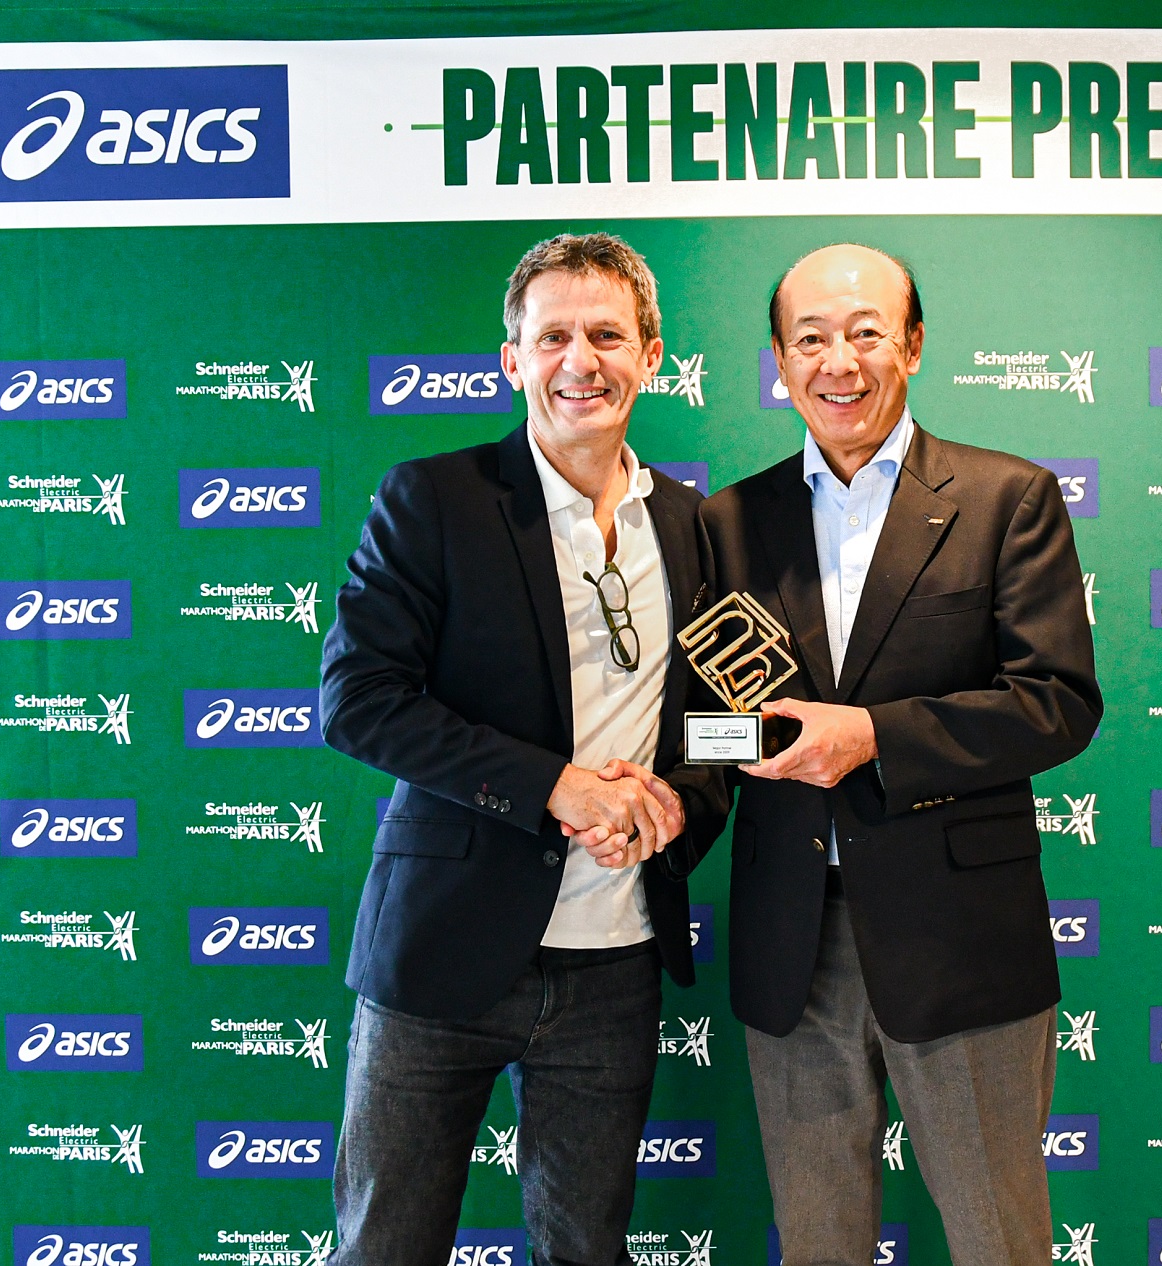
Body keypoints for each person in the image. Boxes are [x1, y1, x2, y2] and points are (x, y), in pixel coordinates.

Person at [318, 231, 726, 1266]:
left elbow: (725, 724)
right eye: (553, 337)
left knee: (586, 1250)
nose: (580, 360)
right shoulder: (433, 499)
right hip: (440, 952)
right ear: (512, 359)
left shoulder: (697, 526)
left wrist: (679, 803)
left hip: (617, 963)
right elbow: (359, 702)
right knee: (386, 1247)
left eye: (607, 336)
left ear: (652, 355)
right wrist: (555, 787)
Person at [698, 243, 1102, 1264]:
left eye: (866, 332)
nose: (838, 361)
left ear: (913, 345)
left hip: (961, 937)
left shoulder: (1007, 497)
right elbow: (705, 725)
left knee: (999, 1241)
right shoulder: (728, 520)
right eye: (810, 339)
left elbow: (1055, 703)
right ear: (779, 364)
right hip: (791, 940)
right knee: (818, 1244)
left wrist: (874, 735)